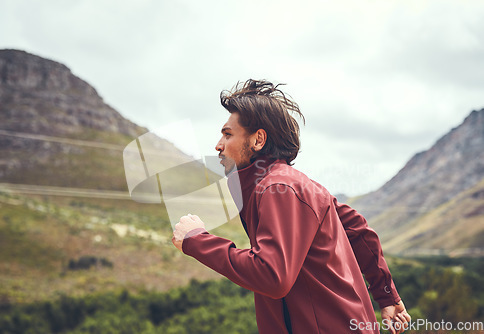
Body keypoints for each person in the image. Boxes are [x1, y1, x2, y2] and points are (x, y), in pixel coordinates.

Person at [172, 79, 411, 334]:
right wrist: (388, 297)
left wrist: (196, 240)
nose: (218, 145)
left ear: (258, 139)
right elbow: (359, 232)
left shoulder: (278, 188)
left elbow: (272, 276)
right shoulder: (296, 185)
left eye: (228, 134)